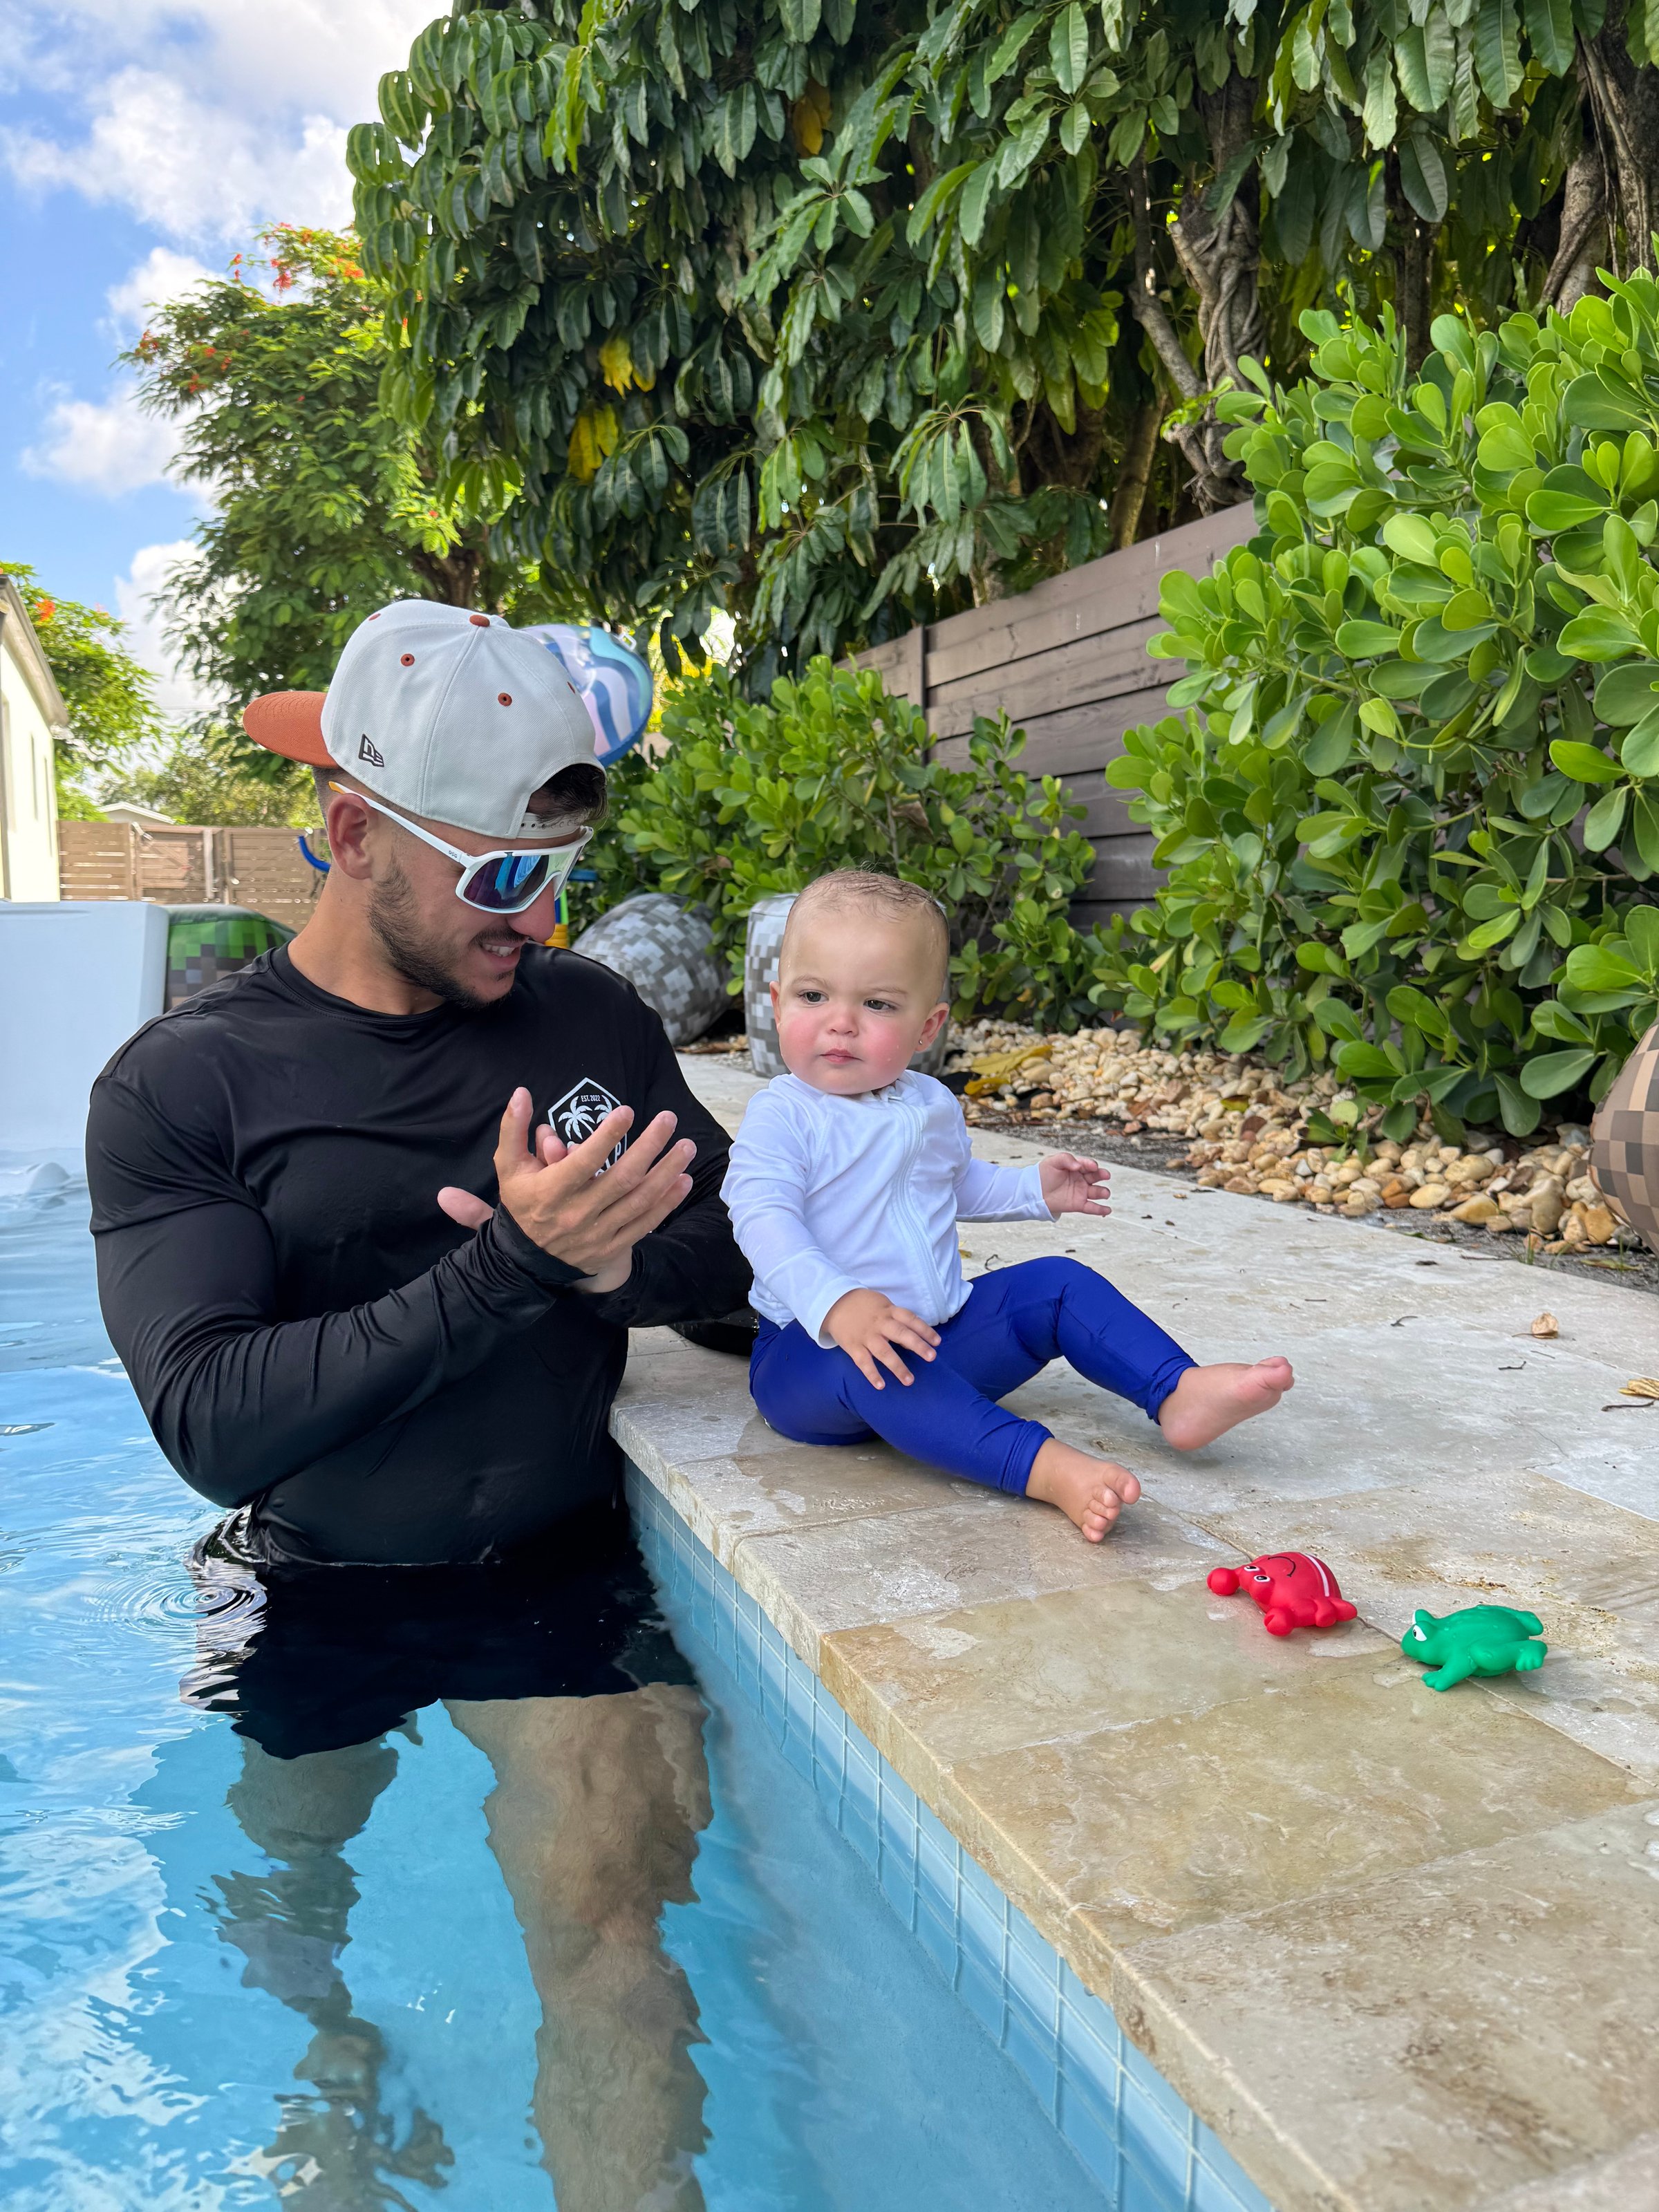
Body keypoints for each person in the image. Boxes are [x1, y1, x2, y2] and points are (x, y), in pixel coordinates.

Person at [85, 599, 750, 2208]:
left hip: (547, 1575)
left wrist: (603, 1268)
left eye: (560, 876)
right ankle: (333, 2080)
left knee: (607, 1925)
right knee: (282, 1886)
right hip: (306, 1574)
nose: (538, 918)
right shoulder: (190, 1085)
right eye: (502, 875)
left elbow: (727, 1265)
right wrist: (509, 1264)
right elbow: (210, 1419)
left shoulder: (585, 1019)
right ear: (348, 835)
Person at [722, 871, 1294, 1542]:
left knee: (1058, 1282)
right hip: (810, 1359)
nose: (840, 1020)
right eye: (813, 994)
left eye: (877, 1003)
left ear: (927, 1025)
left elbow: (953, 1185)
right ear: (775, 1001)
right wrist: (839, 1303)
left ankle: (1176, 1390)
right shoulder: (784, 1114)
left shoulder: (930, 1103)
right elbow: (761, 1216)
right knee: (871, 1361)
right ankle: (1045, 1467)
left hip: (935, 1337)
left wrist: (1032, 1190)